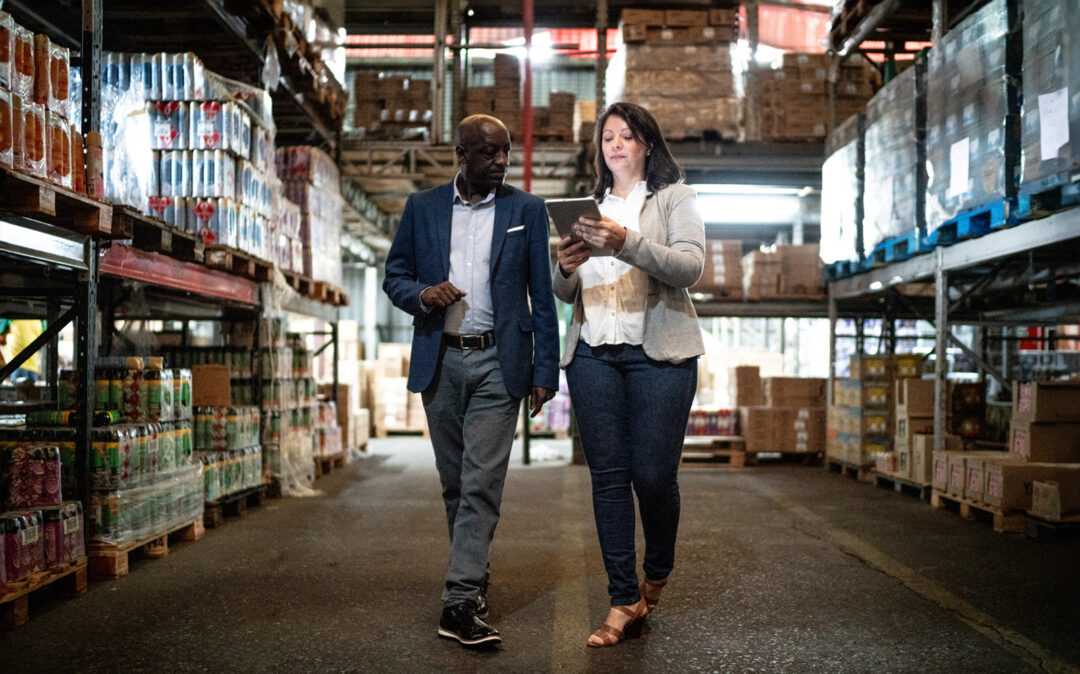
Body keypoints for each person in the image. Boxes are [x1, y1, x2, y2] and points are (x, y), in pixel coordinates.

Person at [383, 114, 559, 648]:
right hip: (442, 360)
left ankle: (458, 600)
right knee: (456, 483)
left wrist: (544, 370)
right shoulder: (423, 208)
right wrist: (422, 295)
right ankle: (474, 576)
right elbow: (395, 275)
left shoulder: (525, 210)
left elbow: (541, 294)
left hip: (498, 363)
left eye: (505, 152)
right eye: (490, 153)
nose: (501, 162)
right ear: (462, 154)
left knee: (482, 483)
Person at [552, 102, 705, 648]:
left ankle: (655, 571)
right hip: (594, 352)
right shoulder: (585, 206)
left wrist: (626, 242)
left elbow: (690, 266)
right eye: (607, 137)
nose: (615, 144)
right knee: (608, 480)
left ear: (646, 145)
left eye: (627, 136)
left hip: (657, 354)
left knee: (654, 477)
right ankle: (622, 599)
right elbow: (566, 287)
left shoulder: (673, 198)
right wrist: (564, 268)